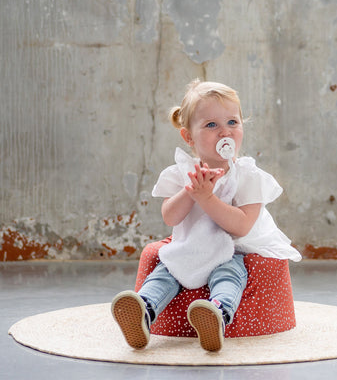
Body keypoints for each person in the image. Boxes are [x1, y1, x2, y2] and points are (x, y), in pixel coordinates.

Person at [111, 79, 301, 352]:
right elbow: (170, 217)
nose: (225, 131)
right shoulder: (181, 173)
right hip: (193, 246)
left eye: (233, 122)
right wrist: (191, 192)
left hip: (235, 250)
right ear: (188, 136)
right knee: (166, 270)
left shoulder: (248, 176)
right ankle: (143, 311)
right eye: (211, 125)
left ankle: (216, 316)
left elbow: (242, 226)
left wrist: (208, 199)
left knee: (229, 275)